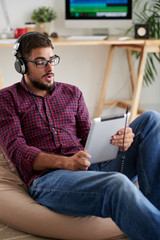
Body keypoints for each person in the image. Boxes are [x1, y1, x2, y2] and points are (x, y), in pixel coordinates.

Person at [0, 32, 160, 240]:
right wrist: (66, 163)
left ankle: (153, 212)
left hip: (88, 165)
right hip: (51, 179)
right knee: (116, 183)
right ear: (21, 66)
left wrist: (121, 141)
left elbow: (88, 137)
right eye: (40, 63)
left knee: (151, 119)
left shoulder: (72, 93)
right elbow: (18, 151)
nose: (50, 69)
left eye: (52, 60)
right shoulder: (6, 98)